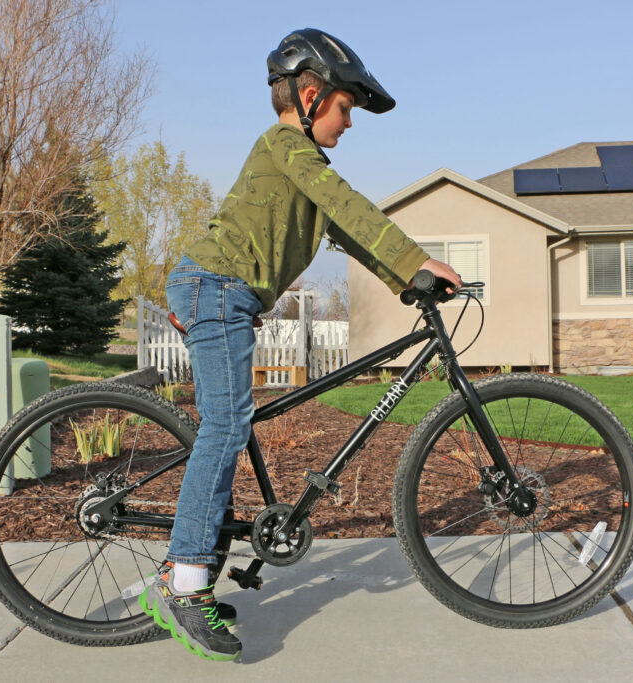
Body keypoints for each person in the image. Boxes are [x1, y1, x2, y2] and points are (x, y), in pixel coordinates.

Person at [140, 28, 462, 661]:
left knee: (232, 423)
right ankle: (183, 584)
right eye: (346, 107)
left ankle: (193, 567)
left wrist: (407, 279)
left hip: (226, 293)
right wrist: (418, 259)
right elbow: (349, 203)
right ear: (311, 96)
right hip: (214, 288)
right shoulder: (287, 145)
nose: (350, 122)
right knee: (227, 425)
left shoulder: (300, 167)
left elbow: (346, 224)